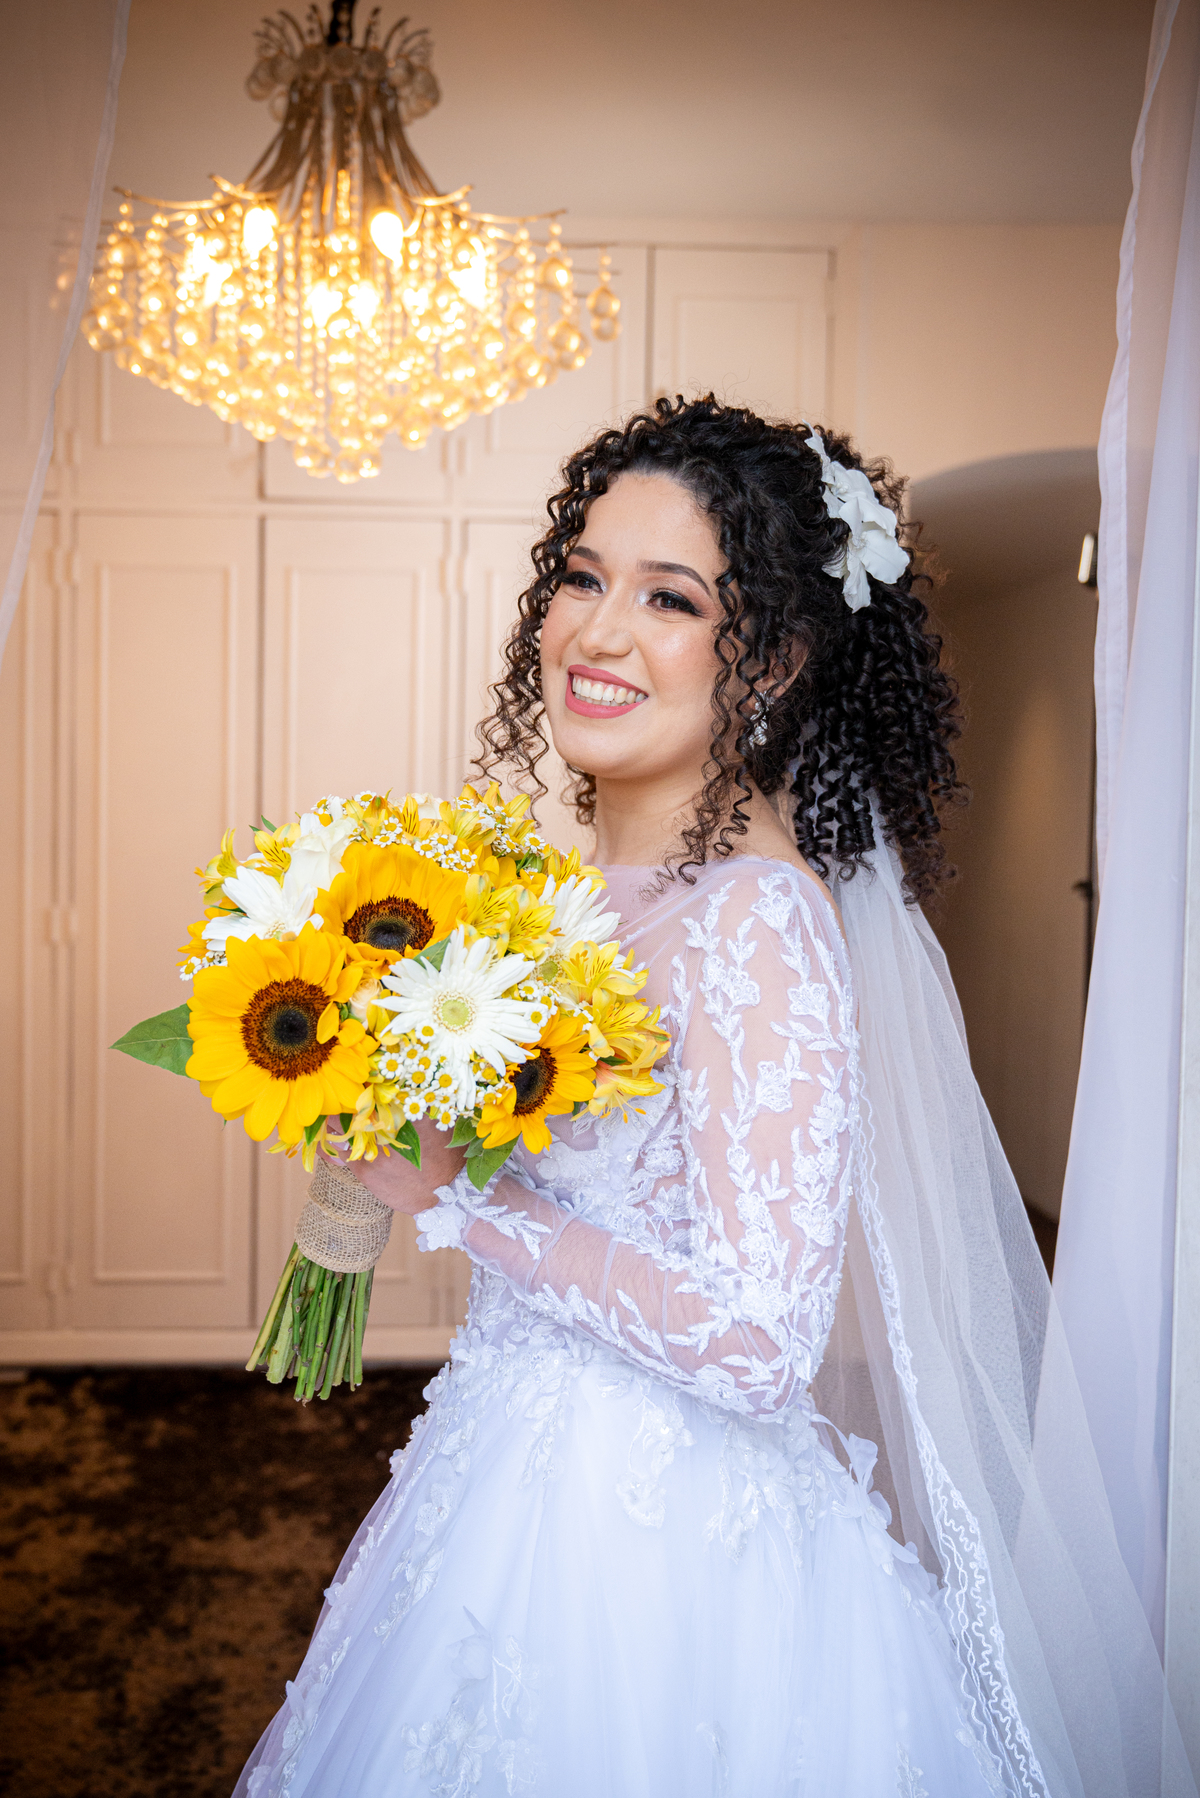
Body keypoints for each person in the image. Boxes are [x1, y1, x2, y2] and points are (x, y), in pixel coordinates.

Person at [235, 396, 1193, 1798]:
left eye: (670, 598)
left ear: (772, 658)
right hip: (501, 1466)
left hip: (660, 1539)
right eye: (583, 574)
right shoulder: (549, 899)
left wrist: (460, 1202)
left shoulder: (760, 922)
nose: (599, 630)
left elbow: (758, 1336)